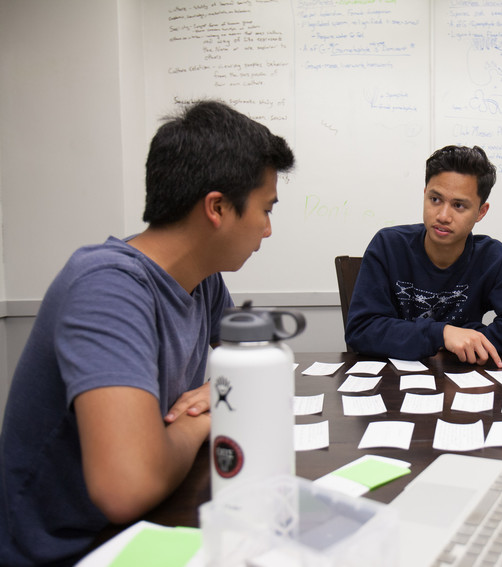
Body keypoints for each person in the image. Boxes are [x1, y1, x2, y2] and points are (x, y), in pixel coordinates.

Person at [0, 100, 295, 566]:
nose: (268, 229)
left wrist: (217, 392)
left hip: (143, 526)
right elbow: (126, 485)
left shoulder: (202, 279)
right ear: (217, 208)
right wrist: (204, 418)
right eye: (265, 209)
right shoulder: (106, 286)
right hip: (66, 550)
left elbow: (247, 369)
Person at [345, 145, 502, 367]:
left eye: (459, 205)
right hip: (393, 384)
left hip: (462, 387)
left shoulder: (492, 258)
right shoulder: (388, 245)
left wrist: (460, 336)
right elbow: (361, 330)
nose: (443, 216)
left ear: (481, 212)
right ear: (424, 194)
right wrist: (443, 334)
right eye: (435, 199)